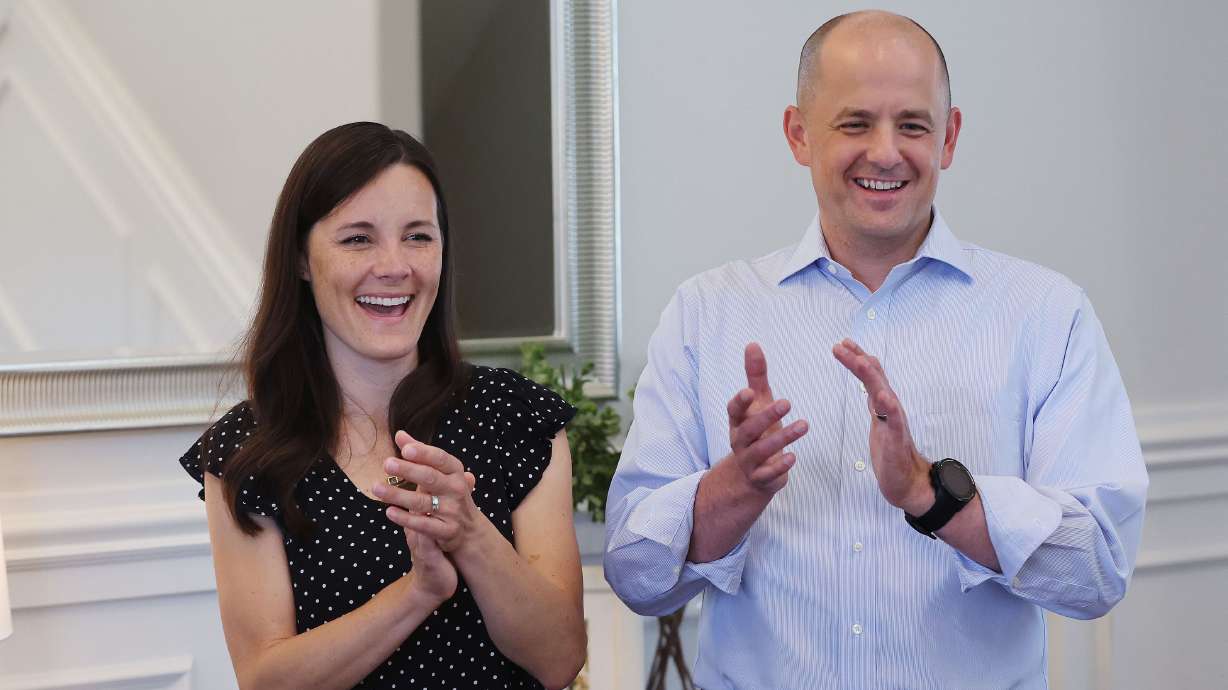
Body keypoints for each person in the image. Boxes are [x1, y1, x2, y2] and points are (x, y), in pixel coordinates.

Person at [604, 11, 1148, 689]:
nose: (886, 152)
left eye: (912, 125)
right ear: (799, 134)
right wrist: (733, 490)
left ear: (948, 138)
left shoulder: (1046, 314)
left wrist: (935, 495)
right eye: (855, 123)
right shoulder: (705, 313)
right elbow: (633, 576)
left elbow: (1097, 569)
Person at [179, 122, 586, 690]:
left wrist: (470, 535)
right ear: (301, 258)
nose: (395, 266)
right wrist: (417, 592)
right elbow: (266, 680)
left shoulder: (517, 418)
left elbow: (560, 657)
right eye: (358, 239)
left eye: (418, 236)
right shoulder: (247, 453)